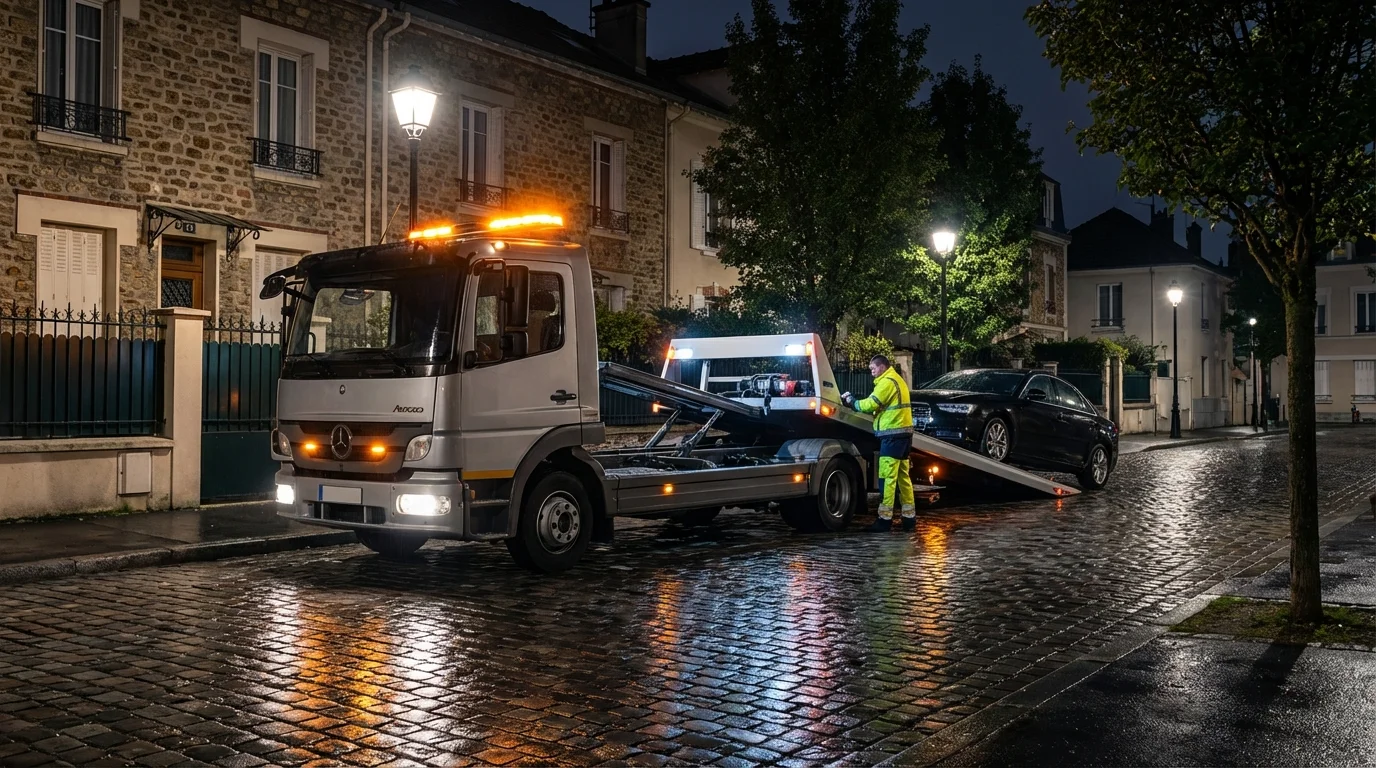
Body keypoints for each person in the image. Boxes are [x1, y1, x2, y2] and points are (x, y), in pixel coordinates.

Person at [842, 355, 916, 532]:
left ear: (882, 367)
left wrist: (852, 402)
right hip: (904, 435)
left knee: (887, 478)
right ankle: (909, 519)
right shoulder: (897, 380)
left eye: (873, 368)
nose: (871, 372)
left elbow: (870, 405)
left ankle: (884, 520)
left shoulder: (887, 382)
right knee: (903, 478)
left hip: (892, 436)